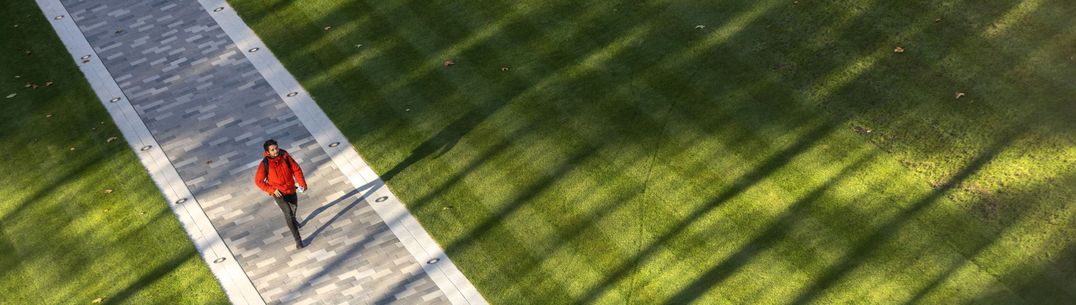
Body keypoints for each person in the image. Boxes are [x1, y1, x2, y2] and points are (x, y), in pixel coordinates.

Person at [254, 139, 309, 249]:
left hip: (291, 189)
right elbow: (258, 181)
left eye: (276, 148)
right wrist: (272, 190)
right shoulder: (264, 164)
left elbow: (296, 169)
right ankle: (298, 240)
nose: (276, 151)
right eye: (272, 150)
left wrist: (302, 183)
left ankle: (293, 221)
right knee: (288, 213)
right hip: (278, 193)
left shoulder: (285, 156)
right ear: (267, 152)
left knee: (293, 210)